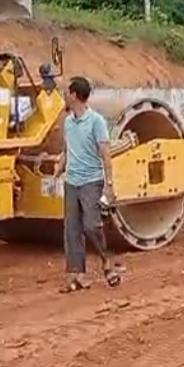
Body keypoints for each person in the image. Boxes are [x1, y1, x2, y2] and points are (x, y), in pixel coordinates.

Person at [54, 76, 123, 292]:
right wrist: (59, 168)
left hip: (92, 181)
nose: (65, 95)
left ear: (74, 95)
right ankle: (78, 275)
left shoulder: (96, 122)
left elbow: (105, 153)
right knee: (71, 229)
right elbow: (68, 150)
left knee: (91, 226)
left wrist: (109, 184)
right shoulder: (68, 122)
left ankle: (107, 261)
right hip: (72, 181)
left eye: (67, 92)